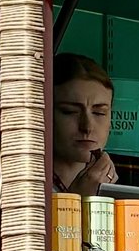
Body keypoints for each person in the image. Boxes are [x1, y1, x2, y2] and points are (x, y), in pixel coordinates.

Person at [49, 53, 118, 195]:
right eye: (70, 111)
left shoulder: (118, 189)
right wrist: (78, 199)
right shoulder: (27, 186)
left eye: (100, 113)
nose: (87, 127)